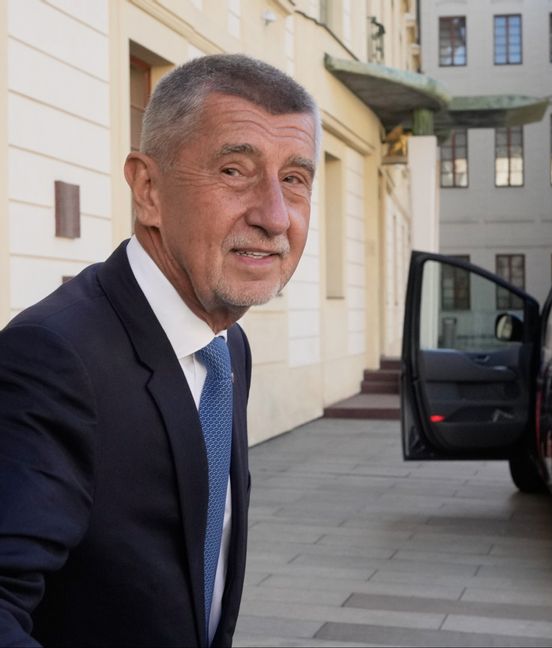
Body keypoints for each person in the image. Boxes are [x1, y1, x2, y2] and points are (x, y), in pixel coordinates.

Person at [0, 54, 318, 646]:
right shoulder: (52, 357)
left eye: (295, 180)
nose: (275, 216)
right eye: (234, 170)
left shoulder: (228, 346)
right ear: (148, 189)